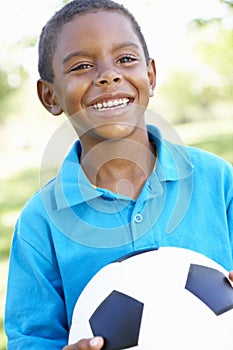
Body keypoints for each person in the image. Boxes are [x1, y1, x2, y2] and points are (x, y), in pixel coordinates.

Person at [4, 0, 233, 349]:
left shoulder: (216, 180)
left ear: (151, 76)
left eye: (126, 60)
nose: (108, 75)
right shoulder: (41, 223)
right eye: (82, 66)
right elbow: (31, 338)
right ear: (49, 95)